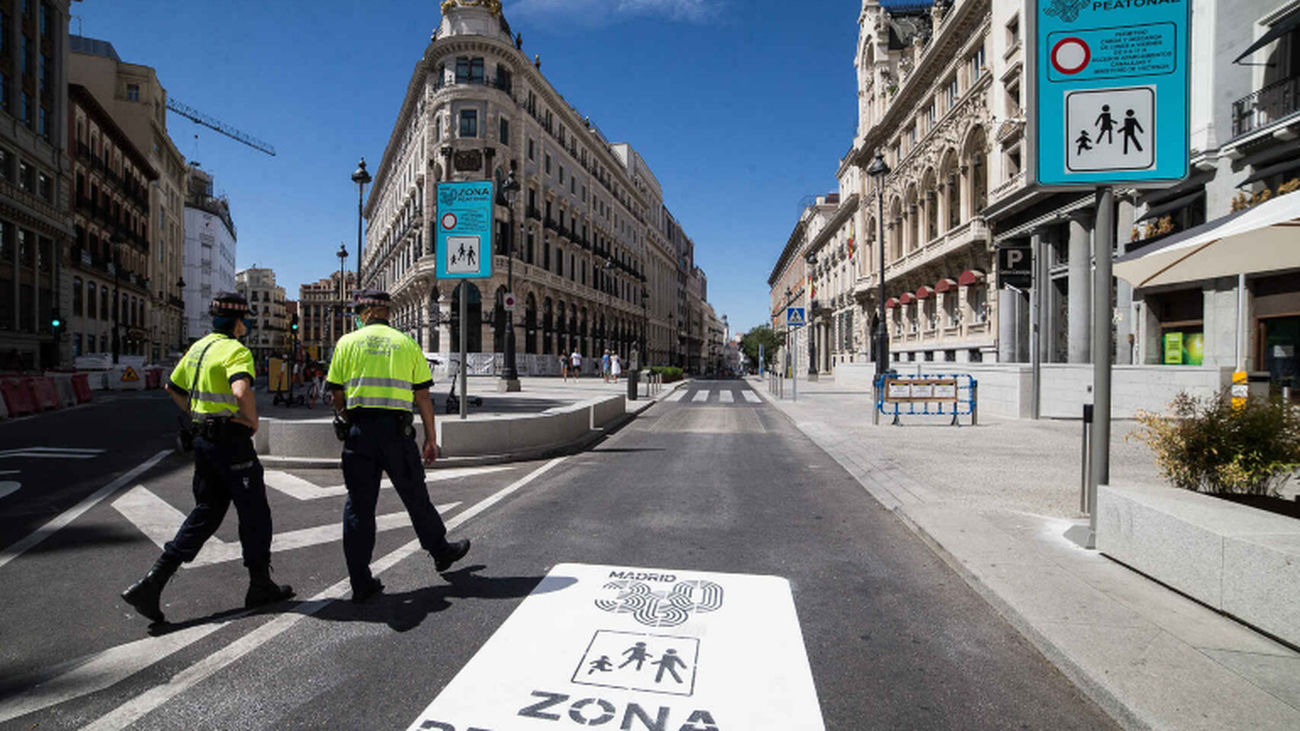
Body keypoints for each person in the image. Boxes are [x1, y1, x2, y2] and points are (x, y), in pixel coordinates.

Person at [120, 293, 293, 624]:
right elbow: (241, 391)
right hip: (232, 443)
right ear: (239, 322)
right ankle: (259, 584)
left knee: (206, 513)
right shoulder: (236, 350)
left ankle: (153, 582)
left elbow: (173, 387)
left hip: (203, 443)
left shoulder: (198, 349)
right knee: (255, 513)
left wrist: (198, 415)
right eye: (246, 320)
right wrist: (251, 422)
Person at [326, 289, 470, 602]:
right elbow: (423, 397)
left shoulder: (346, 343)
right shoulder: (406, 344)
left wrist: (347, 417)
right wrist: (431, 438)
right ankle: (440, 551)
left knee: (359, 506)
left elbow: (336, 393)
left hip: (359, 433)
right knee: (416, 496)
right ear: (386, 312)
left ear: (363, 313)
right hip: (396, 434)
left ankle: (360, 581)